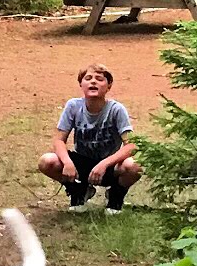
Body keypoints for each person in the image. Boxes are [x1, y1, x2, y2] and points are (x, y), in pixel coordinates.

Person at [40, 64, 141, 212]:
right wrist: (67, 163)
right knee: (47, 161)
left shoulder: (116, 110)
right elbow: (59, 140)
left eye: (99, 79)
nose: (93, 82)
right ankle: (79, 191)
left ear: (109, 86)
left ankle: (116, 196)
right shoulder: (73, 106)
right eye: (88, 78)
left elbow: (131, 145)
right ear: (81, 84)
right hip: (81, 164)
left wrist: (104, 164)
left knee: (134, 166)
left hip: (109, 165)